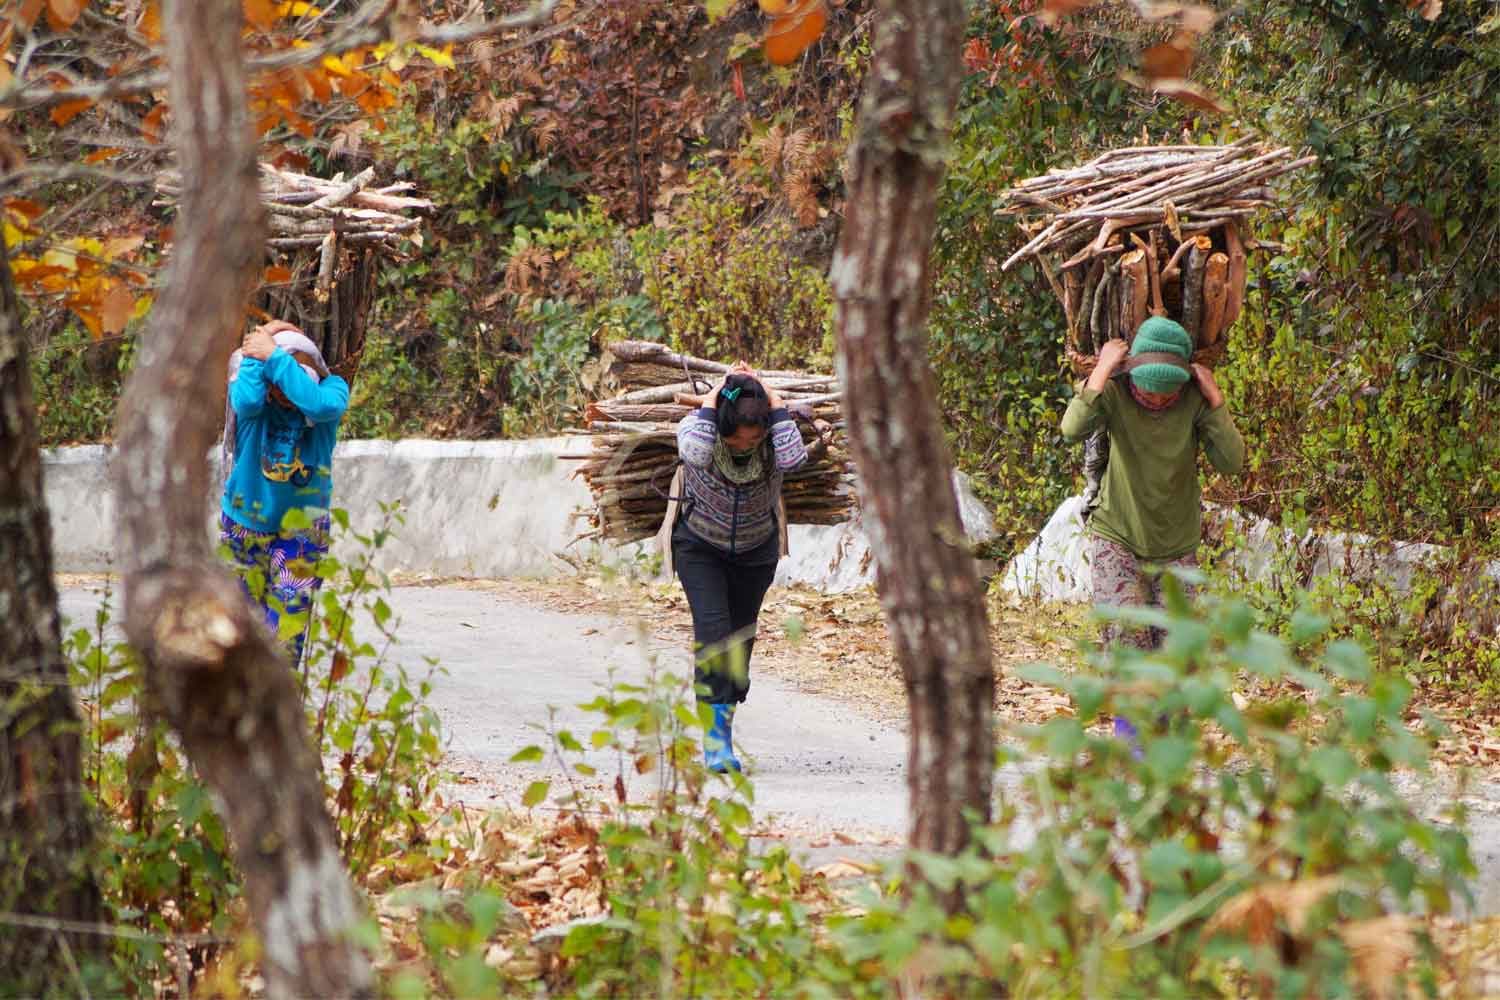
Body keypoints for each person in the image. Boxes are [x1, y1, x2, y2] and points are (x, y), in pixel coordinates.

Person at [1060, 316, 1245, 655]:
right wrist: (1102, 369)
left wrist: (1215, 399)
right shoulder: (1115, 393)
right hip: (1118, 535)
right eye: (1147, 390)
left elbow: (1232, 462)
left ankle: (1164, 712)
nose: (1157, 400)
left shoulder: (1194, 401)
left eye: (1167, 393)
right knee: (1126, 646)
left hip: (1176, 544)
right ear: (1131, 375)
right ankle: (1127, 712)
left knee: (1173, 657)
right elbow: (1072, 429)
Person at [659, 363, 809, 773]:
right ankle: (715, 744)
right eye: (738, 440)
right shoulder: (697, 430)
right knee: (713, 637)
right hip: (700, 547)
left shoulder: (775, 438)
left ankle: (725, 718)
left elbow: (796, 459)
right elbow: (697, 454)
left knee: (739, 648)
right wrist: (710, 402)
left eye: (754, 439)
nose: (746, 446)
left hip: (755, 551)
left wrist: (774, 401)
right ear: (721, 426)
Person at [219, 319, 350, 667]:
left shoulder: (332, 391)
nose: (285, 393)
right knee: (242, 627)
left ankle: (277, 710)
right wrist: (256, 352)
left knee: (286, 630)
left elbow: (320, 406)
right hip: (245, 524)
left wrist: (276, 355)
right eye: (278, 382)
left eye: (297, 372)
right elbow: (245, 400)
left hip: (302, 532)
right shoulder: (256, 404)